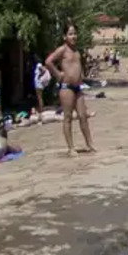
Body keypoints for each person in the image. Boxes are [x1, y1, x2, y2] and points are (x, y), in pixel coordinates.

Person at [44, 22, 97, 155]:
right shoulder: (62, 50)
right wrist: (57, 74)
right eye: (70, 34)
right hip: (66, 87)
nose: (73, 36)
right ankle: (71, 148)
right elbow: (48, 61)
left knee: (83, 116)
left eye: (75, 33)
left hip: (78, 87)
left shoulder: (77, 51)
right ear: (64, 36)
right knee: (67, 117)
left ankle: (89, 143)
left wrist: (82, 76)